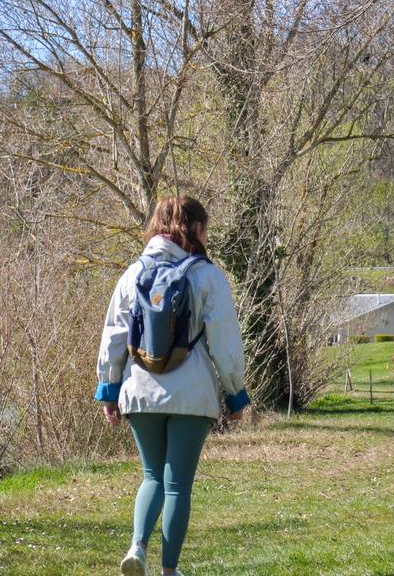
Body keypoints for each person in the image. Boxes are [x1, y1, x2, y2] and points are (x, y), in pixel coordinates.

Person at [95, 196, 249, 576]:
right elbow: (225, 343)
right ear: (195, 229)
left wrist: (109, 389)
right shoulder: (207, 276)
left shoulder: (133, 273)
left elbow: (114, 336)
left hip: (140, 390)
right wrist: (235, 393)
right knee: (177, 483)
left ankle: (137, 546)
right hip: (191, 394)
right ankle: (169, 571)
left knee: (151, 476)